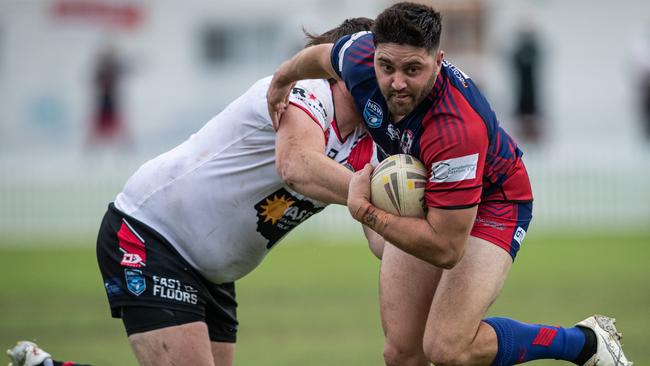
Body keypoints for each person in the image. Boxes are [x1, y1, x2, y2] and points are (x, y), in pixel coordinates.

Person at [267, 3, 632, 366]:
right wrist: (282, 80)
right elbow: (320, 57)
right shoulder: (361, 56)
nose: (396, 82)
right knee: (402, 352)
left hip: (496, 200)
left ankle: (582, 343)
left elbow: (445, 249)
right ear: (373, 54)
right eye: (387, 66)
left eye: (413, 69)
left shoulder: (455, 129)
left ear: (438, 60)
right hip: (431, 191)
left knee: (447, 348)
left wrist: (365, 211)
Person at [5, 18, 380, 366]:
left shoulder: (370, 138)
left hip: (212, 271)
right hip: (152, 234)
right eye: (379, 68)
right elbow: (296, 167)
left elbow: (379, 236)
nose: (391, 84)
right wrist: (373, 190)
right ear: (341, 68)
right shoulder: (303, 92)